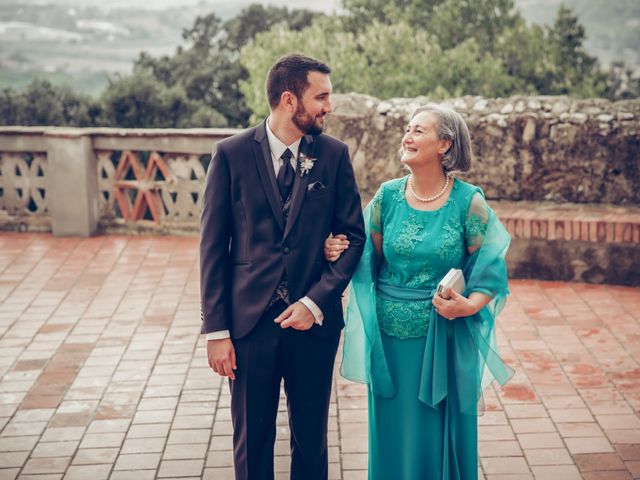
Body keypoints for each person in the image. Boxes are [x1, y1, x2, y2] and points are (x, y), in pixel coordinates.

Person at [325, 104, 514, 479]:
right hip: (390, 344)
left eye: (418, 131)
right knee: (392, 435)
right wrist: (335, 248)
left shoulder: (468, 202)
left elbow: (490, 272)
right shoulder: (387, 198)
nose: (406, 137)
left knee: (434, 433)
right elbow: (366, 257)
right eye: (406, 129)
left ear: (445, 144)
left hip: (442, 340)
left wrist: (467, 306)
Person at [200, 53, 365, 480]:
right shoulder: (231, 155)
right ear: (289, 100)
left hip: (313, 324)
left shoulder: (333, 155)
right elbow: (213, 248)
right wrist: (216, 332)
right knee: (252, 442)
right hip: (249, 325)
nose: (329, 106)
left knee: (311, 440)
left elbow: (354, 238)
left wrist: (316, 302)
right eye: (321, 97)